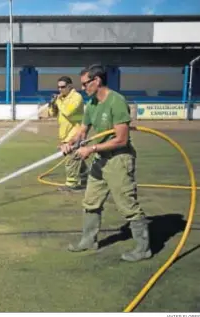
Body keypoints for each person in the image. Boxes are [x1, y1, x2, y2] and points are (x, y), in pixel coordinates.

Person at [60, 64, 152, 262]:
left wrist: (90, 149)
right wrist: (70, 143)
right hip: (100, 159)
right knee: (90, 201)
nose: (83, 88)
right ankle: (88, 240)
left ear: (97, 80)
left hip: (118, 159)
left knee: (127, 205)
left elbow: (121, 139)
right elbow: (83, 131)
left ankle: (143, 248)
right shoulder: (92, 104)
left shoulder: (116, 101)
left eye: (85, 84)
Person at [47, 76, 87, 192]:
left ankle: (71, 184)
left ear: (70, 86)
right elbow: (52, 114)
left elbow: (68, 112)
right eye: (58, 87)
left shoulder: (76, 97)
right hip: (65, 134)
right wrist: (52, 104)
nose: (60, 90)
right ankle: (86, 177)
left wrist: (58, 101)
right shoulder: (61, 99)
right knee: (76, 156)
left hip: (75, 132)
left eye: (63, 87)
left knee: (71, 158)